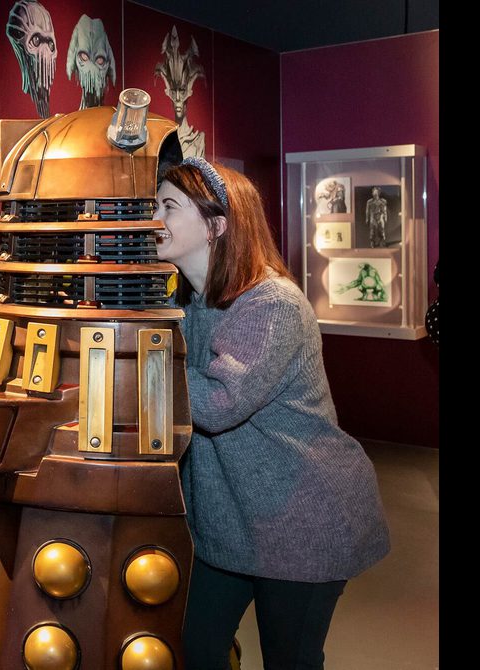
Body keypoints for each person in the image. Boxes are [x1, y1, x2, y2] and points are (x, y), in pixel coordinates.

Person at [153, 157, 390, 670]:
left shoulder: (271, 302)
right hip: (230, 523)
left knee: (291, 660)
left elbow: (216, 403)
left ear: (216, 225)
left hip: (303, 521)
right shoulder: (192, 305)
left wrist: (134, 366)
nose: (155, 219)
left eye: (168, 206)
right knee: (195, 649)